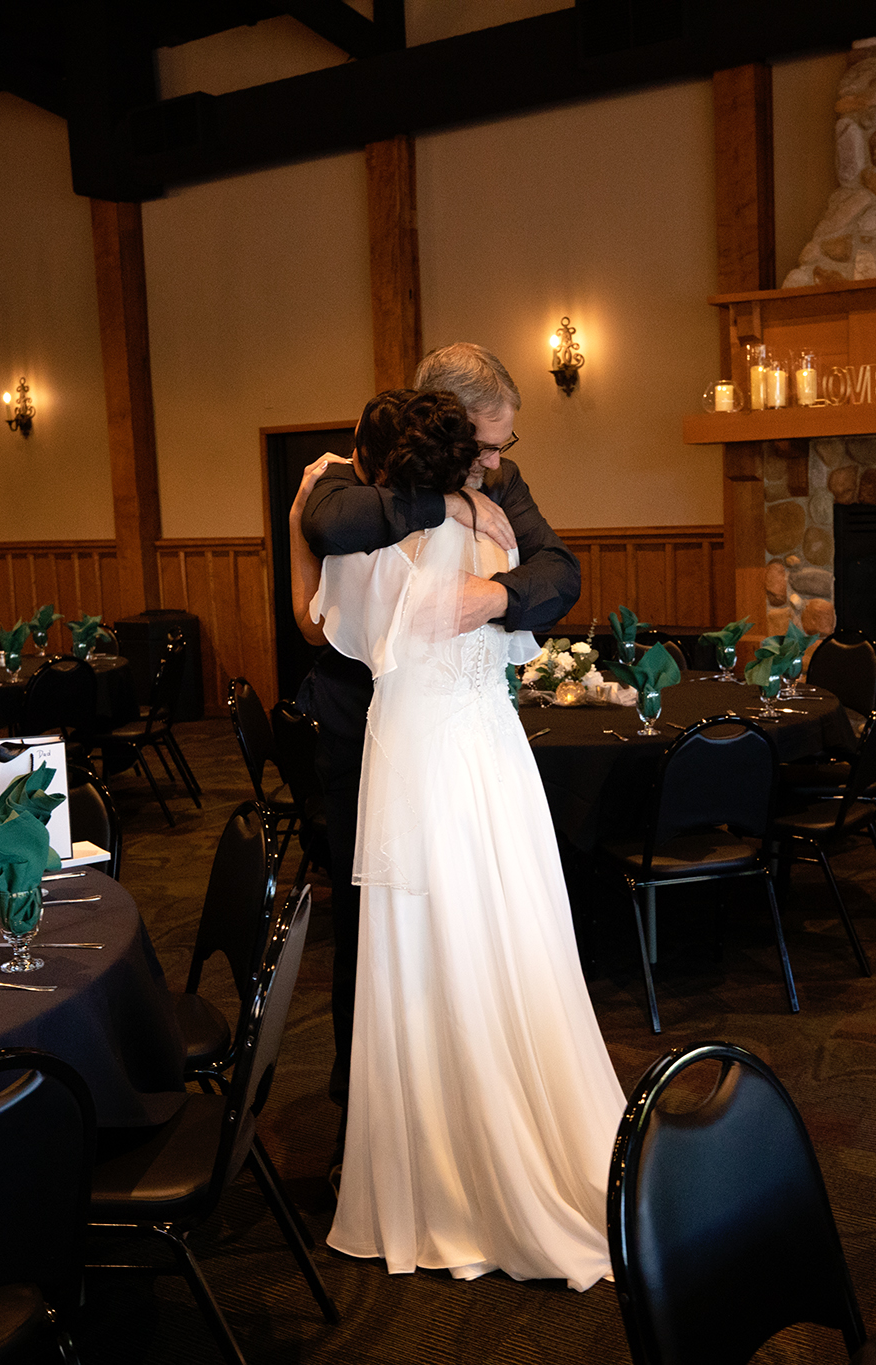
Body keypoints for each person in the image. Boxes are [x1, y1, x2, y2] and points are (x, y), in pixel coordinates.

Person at [286, 386, 624, 1290]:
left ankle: (436, 1164)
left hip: (420, 760)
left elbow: (325, 625)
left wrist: (294, 541)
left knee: (421, 948)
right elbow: (526, 623)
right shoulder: (495, 535)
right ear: (457, 447)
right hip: (493, 758)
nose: (500, 460)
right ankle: (526, 1131)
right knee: (508, 933)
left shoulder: (370, 541)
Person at [293, 344, 582, 1132]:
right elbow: (328, 520)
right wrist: (445, 505)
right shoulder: (360, 466)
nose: (496, 463)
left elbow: (559, 571)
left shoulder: (504, 479)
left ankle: (471, 1095)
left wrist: (492, 594)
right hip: (361, 730)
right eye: (487, 444)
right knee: (372, 922)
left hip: (460, 729)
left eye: (502, 446)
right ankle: (367, 1111)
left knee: (474, 911)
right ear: (448, 426)